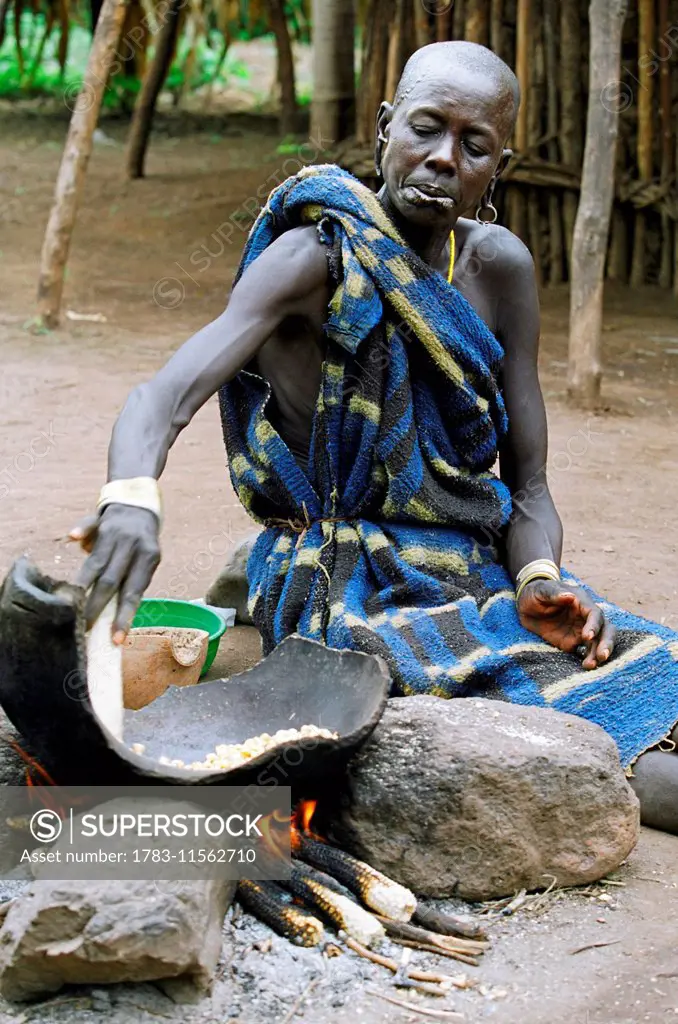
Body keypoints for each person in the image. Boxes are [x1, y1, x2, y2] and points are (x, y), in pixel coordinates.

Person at [71, 42, 678, 830]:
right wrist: (129, 499)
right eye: (426, 129)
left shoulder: (499, 269)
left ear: (502, 165)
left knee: (640, 656)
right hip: (341, 577)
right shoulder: (310, 261)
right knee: (586, 724)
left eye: (474, 145)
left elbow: (526, 488)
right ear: (387, 126)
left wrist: (535, 582)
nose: (442, 159)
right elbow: (164, 395)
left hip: (472, 563)